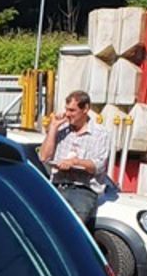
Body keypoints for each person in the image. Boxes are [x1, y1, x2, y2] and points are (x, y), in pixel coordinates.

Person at [39, 90, 115, 226]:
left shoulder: (100, 134)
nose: (68, 114)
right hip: (57, 185)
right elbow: (44, 156)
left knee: (72, 228)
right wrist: (53, 127)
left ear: (85, 109)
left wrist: (75, 162)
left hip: (82, 190)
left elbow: (98, 166)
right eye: (66, 110)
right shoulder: (62, 130)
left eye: (72, 110)